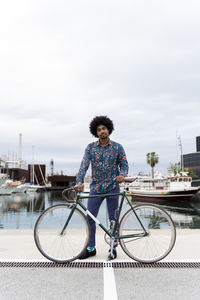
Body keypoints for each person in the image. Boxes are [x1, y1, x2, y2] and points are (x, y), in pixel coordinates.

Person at [74, 115, 128, 260]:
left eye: (104, 128)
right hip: (96, 188)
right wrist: (79, 182)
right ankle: (91, 248)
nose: (102, 131)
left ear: (108, 129)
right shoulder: (90, 148)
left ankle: (113, 248)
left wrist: (122, 174)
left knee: (113, 219)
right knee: (89, 217)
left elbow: (124, 165)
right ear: (95, 132)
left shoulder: (118, 147)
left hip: (113, 187)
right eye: (98, 130)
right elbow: (84, 165)